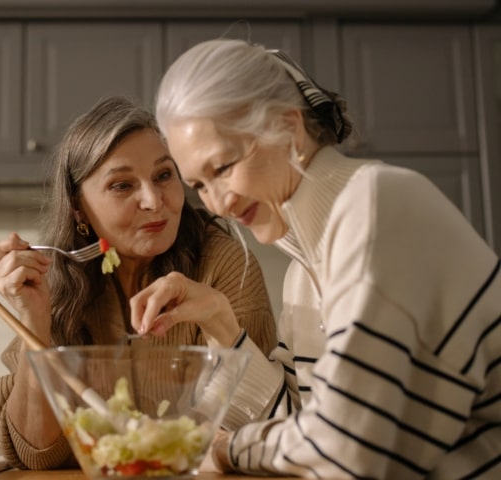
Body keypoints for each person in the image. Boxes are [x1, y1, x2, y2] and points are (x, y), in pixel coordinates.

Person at [129, 38, 501, 479]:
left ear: (289, 127)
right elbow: (300, 426)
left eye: (223, 167)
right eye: (200, 186)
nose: (217, 205)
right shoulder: (303, 274)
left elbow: (348, 450)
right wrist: (220, 322)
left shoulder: (378, 205)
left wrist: (230, 451)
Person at [0, 95, 277, 470]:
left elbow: (250, 423)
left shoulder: (224, 262)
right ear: (78, 208)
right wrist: (35, 318)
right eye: (123, 185)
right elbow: (37, 452)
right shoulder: (53, 280)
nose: (154, 201)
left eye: (163, 175)